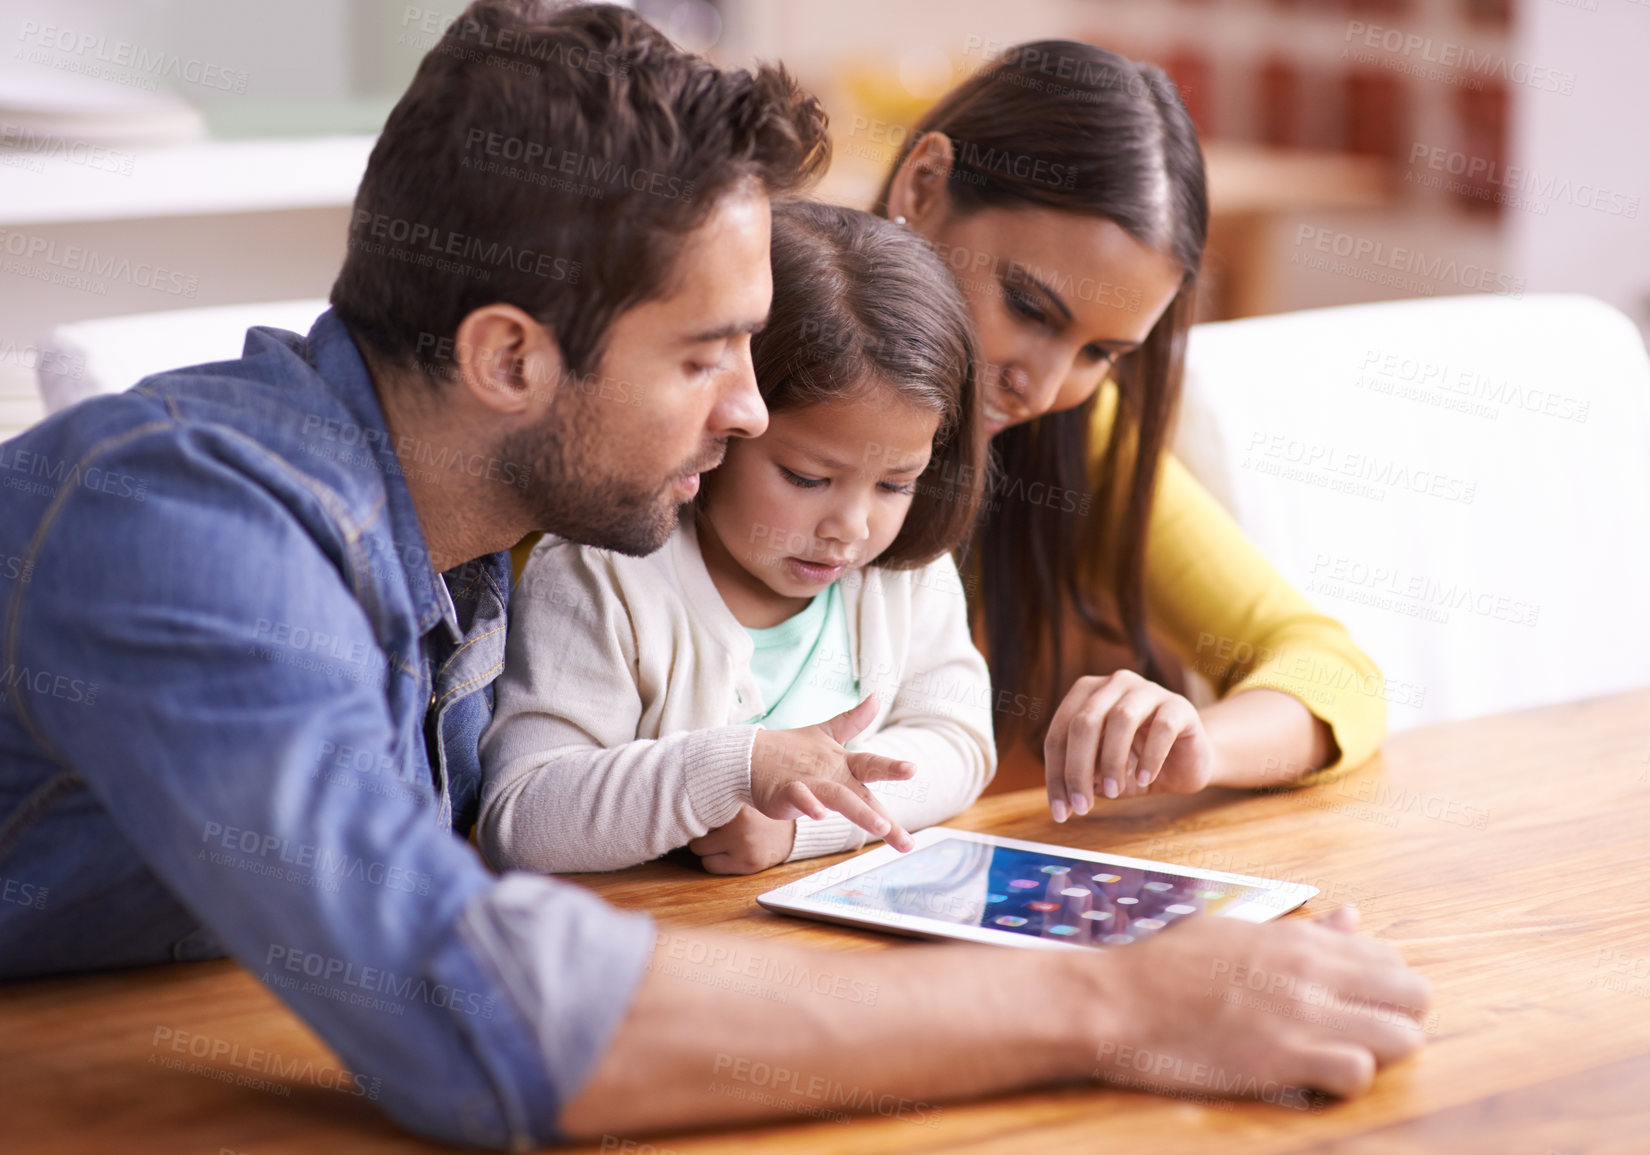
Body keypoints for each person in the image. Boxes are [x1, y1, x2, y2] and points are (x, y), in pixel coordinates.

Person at [0, 3, 1429, 1147]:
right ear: (510, 358)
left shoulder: (468, 544)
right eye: (706, 356)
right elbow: (471, 1019)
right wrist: (1109, 999)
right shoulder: (192, 529)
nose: (755, 412)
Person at [869, 42, 1390, 824]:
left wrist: (1194, 742)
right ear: (924, 185)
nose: (1042, 388)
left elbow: (1333, 672)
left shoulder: (1077, 435)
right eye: (1030, 308)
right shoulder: (745, 378)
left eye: (1098, 354)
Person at [479, 200, 995, 875]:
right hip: (656, 957)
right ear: (723, 420)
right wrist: (738, 766)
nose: (852, 526)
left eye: (895, 484)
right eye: (807, 476)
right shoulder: (601, 575)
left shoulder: (903, 574)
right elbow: (522, 818)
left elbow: (957, 742)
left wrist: (800, 830)